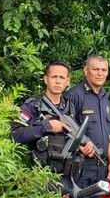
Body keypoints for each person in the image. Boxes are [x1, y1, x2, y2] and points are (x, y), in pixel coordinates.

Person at [10, 60, 93, 188]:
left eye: (62, 78)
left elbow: (67, 138)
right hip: (42, 179)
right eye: (54, 77)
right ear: (45, 79)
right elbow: (14, 135)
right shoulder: (33, 105)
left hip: (68, 179)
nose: (58, 81)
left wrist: (80, 148)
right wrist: (45, 126)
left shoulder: (70, 107)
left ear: (68, 81)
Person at [67, 54, 110, 198]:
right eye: (95, 69)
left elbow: (107, 133)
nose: (100, 73)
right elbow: (66, 129)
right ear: (85, 70)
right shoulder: (74, 95)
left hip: (101, 165)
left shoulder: (104, 97)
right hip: (81, 166)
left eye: (103, 70)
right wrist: (79, 147)